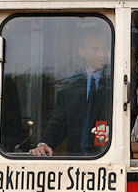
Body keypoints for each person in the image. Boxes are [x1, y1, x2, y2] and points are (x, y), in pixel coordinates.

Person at [30, 24, 112, 157]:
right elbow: (58, 123)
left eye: (104, 49)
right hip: (77, 161)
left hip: (107, 159)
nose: (102, 54)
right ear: (82, 51)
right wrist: (44, 143)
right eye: (95, 49)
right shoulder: (70, 87)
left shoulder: (114, 81)